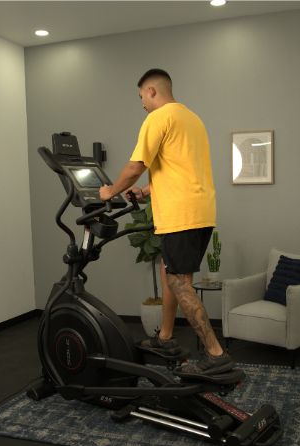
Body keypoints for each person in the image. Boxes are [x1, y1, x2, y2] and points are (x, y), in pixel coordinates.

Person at [98, 68, 234, 375]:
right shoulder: (192, 119)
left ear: (151, 91)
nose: (142, 104)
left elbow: (135, 167)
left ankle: (216, 354)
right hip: (200, 212)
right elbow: (180, 168)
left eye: (141, 98)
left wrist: (110, 192)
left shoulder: (157, 118)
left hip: (180, 215)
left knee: (178, 282)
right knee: (169, 269)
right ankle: (165, 337)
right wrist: (146, 191)